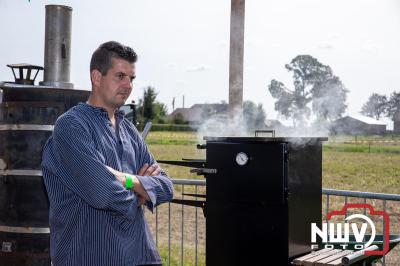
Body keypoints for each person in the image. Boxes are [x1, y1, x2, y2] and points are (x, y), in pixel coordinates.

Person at [41, 41, 174, 266]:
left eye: (131, 78)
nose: (128, 85)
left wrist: (126, 179)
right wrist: (143, 192)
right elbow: (104, 194)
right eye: (120, 76)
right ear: (97, 77)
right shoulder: (72, 127)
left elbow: (166, 186)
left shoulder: (129, 130)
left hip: (139, 256)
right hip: (90, 256)